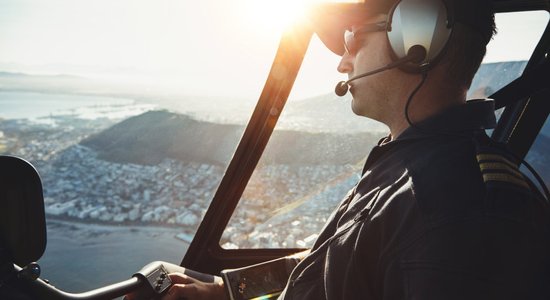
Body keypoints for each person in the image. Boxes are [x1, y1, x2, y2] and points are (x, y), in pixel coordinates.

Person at [130, 0, 550, 299]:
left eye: (352, 38)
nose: (342, 63)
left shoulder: (466, 213)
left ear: (416, 38)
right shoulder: (412, 165)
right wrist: (227, 290)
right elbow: (336, 262)